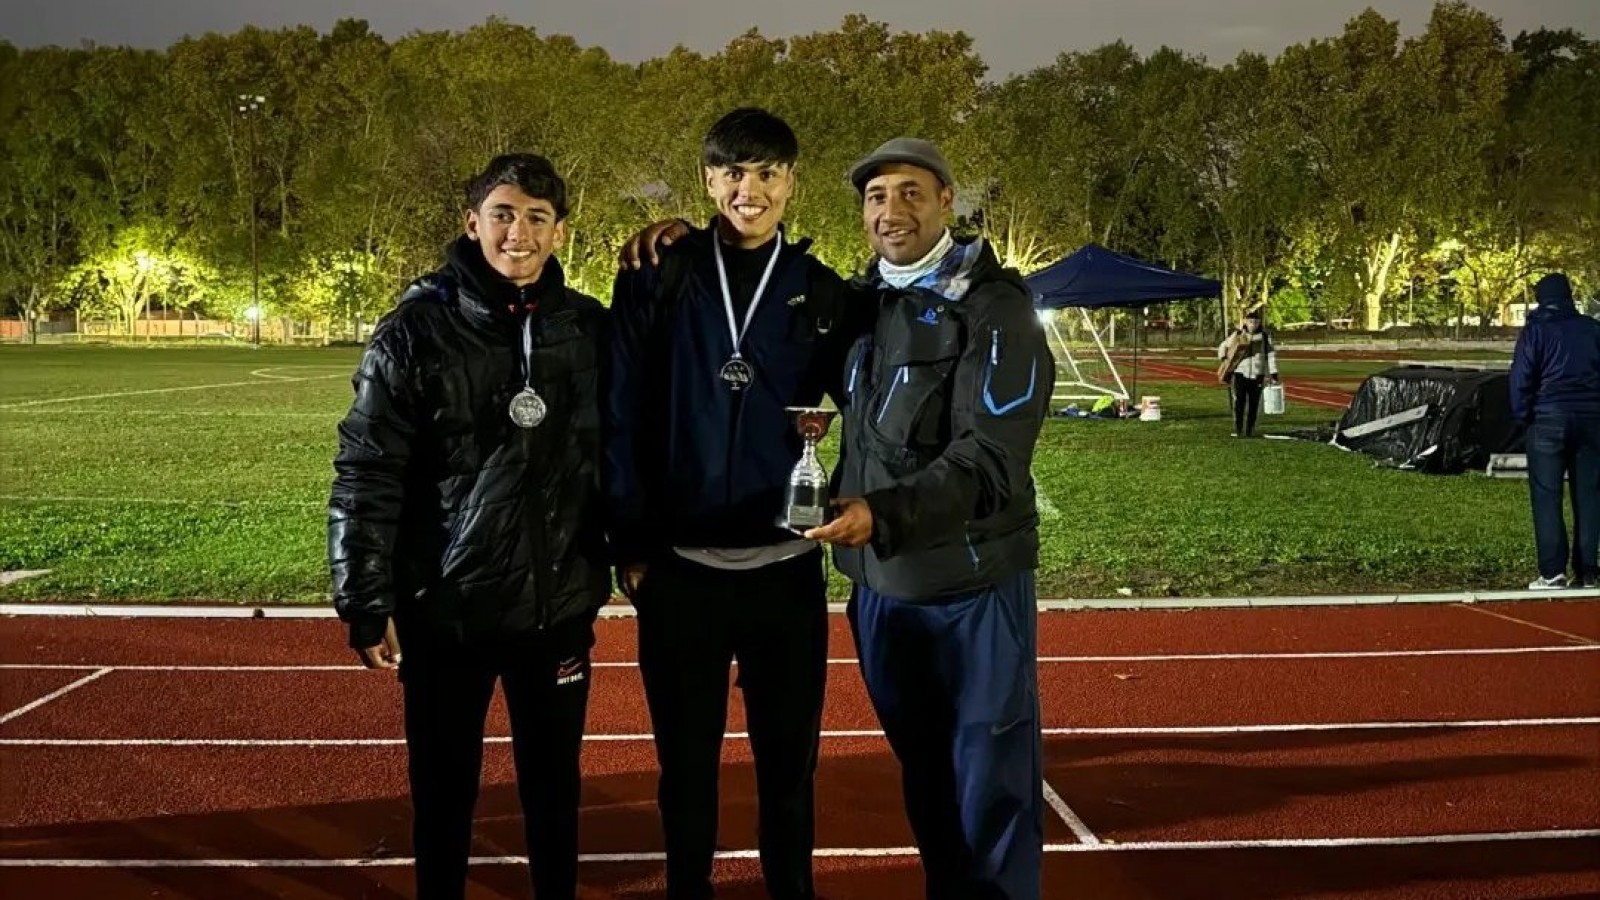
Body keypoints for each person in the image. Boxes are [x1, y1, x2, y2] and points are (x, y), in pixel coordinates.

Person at [329, 153, 609, 900]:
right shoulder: (414, 330)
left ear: (560, 231)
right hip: (446, 609)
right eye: (504, 214)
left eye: (538, 217)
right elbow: (368, 466)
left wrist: (627, 552)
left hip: (557, 608)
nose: (519, 233)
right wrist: (364, 594)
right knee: (445, 794)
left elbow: (616, 456)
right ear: (472, 222)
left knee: (555, 793)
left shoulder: (587, 327)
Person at [605, 108, 861, 900]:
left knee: (789, 768)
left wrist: (855, 496)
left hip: (784, 572)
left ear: (792, 182)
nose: (749, 190)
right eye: (732, 174)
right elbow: (620, 409)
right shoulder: (660, 272)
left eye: (766, 174)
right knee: (686, 768)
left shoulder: (823, 293)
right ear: (709, 180)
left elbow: (883, 400)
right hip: (681, 570)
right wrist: (631, 542)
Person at [804, 138, 1055, 900]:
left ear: (948, 200)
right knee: (925, 775)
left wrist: (880, 515)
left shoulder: (996, 307)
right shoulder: (860, 306)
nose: (891, 211)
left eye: (911, 193)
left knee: (993, 779)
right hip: (882, 591)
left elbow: (991, 458)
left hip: (973, 588)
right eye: (877, 198)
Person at [1510, 272, 1600, 590]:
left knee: (1547, 496)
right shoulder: (1592, 329)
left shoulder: (1535, 331)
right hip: (1591, 419)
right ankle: (1588, 570)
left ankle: (1552, 571)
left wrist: (1523, 416)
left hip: (1548, 417)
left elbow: (1521, 378)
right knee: (1589, 496)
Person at [1216, 308, 1279, 437]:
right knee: (1239, 402)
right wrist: (1224, 358)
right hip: (1240, 373)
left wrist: (1273, 372)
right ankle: (1239, 429)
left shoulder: (1265, 337)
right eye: (1250, 321)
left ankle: (1250, 429)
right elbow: (1223, 346)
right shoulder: (1238, 334)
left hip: (1258, 374)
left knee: (1254, 404)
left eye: (1256, 322)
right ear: (1245, 321)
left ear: (1259, 322)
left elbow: (1271, 355)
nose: (1253, 324)